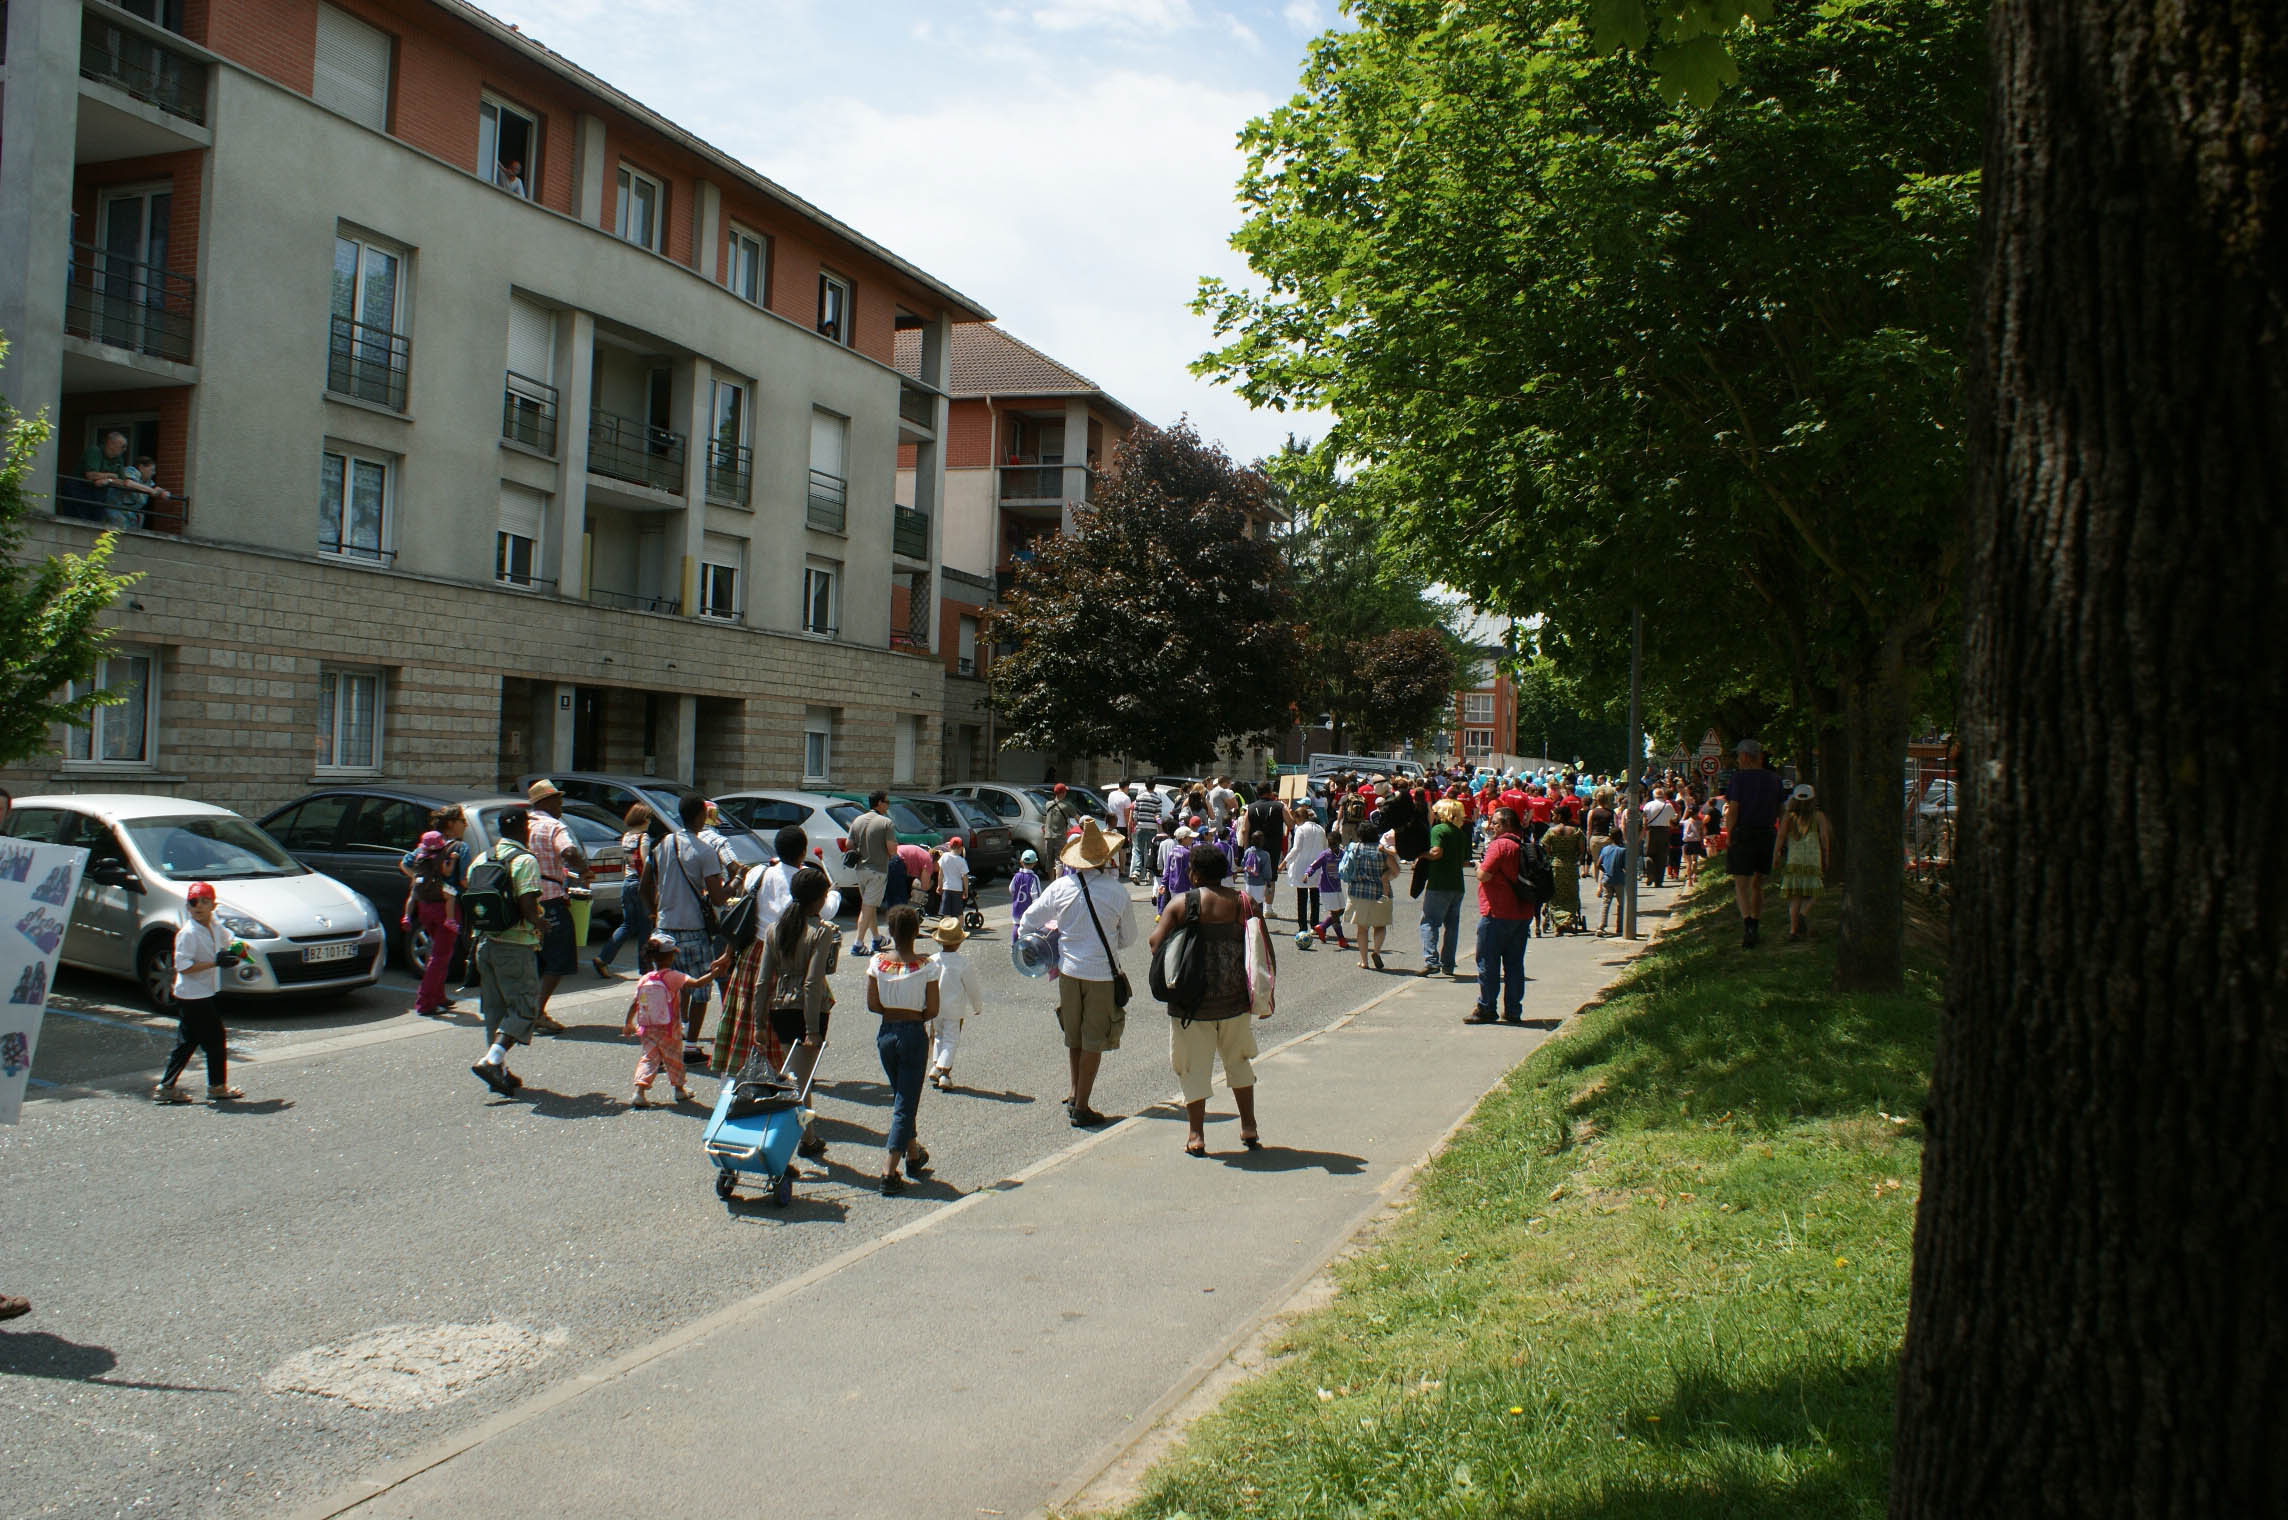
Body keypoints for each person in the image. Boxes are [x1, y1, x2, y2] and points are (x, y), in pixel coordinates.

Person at [1148, 844, 1267, 1157]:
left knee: (1193, 1068)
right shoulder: (1244, 902)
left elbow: (1155, 943)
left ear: (1194, 873)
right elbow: (1262, 948)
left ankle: (1196, 1134)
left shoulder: (1181, 904)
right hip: (1235, 1000)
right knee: (1239, 1062)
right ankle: (1249, 1126)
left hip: (1191, 1004)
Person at [718, 865, 839, 1160]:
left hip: (779, 1008)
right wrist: (812, 1029)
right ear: (819, 900)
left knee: (797, 1078)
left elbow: (762, 982)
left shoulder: (774, 930)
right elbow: (812, 982)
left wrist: (759, 1024)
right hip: (808, 1010)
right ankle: (783, 1145)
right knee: (798, 1083)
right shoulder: (821, 932)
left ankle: (809, 1136)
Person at [1020, 819, 1135, 1128]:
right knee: (1093, 1039)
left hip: (1069, 971)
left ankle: (1074, 1092)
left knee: (1074, 1035)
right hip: (1101, 973)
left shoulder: (1061, 887)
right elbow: (1128, 938)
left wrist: (1044, 942)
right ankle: (1082, 1106)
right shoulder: (1117, 892)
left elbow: (1028, 921)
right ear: (1106, 858)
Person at [647, 793, 730, 1061]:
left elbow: (645, 884)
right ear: (701, 816)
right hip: (693, 929)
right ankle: (691, 1046)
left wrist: (653, 911)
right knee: (700, 991)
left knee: (667, 990)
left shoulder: (663, 844)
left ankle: (663, 1044)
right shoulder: (705, 851)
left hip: (663, 928)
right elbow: (718, 898)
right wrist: (737, 881)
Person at [471, 809, 545, 1096]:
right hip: (515, 945)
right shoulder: (525, 860)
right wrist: (541, 922)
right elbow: (527, 903)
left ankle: (498, 1072)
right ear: (524, 828)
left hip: (485, 943)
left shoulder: (482, 858)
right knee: (525, 1006)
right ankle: (492, 1060)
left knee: (495, 1010)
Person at [866, 905, 940, 1193]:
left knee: (901, 1096)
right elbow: (932, 1009)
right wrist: (915, 1016)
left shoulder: (877, 963)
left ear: (891, 932)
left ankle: (913, 1153)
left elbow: (873, 1004)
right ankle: (889, 1169)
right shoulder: (927, 966)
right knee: (905, 1102)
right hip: (912, 1032)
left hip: (886, 1031)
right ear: (916, 932)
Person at [153, 881, 244, 1103]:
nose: (199, 906)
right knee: (215, 1039)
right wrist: (215, 963)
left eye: (204, 901)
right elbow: (183, 967)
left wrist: (239, 950)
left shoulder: (214, 926)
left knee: (188, 1041)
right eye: (194, 902)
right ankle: (216, 1086)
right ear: (188, 906)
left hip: (204, 992)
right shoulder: (188, 933)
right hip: (193, 995)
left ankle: (166, 1087)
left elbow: (229, 941)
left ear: (213, 905)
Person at [521, 779, 590, 1036]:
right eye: (558, 801)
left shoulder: (523, 825)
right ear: (546, 802)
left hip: (524, 900)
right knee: (558, 957)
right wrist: (584, 870)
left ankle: (525, 1009)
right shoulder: (554, 826)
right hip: (550, 901)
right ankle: (537, 1012)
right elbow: (568, 852)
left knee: (533, 957)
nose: (561, 806)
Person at [621, 932, 707, 1107]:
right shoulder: (673, 976)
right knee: (673, 1059)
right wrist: (714, 973)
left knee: (648, 1058)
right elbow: (697, 983)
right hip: (669, 1029)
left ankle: (639, 1092)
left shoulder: (645, 978)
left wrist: (628, 1023)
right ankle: (679, 1090)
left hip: (647, 1028)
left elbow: (635, 1003)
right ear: (671, 956)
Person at [1466, 807, 1534, 1025]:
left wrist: (1478, 866)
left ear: (1506, 824)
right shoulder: (1523, 845)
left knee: (1488, 963)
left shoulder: (1500, 845)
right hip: (1522, 913)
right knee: (1515, 965)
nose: (1490, 826)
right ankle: (1513, 1010)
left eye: (1495, 823)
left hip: (1497, 912)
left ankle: (1487, 1007)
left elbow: (1484, 875)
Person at [398, 815, 467, 1017]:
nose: (465, 825)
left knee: (438, 952)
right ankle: (425, 1002)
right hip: (445, 907)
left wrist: (421, 881)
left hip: (424, 905)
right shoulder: (458, 848)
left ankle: (438, 996)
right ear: (452, 823)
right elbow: (463, 880)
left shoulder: (421, 851)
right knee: (440, 956)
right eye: (462, 820)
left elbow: (404, 863)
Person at [1723, 740, 1788, 947]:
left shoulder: (1738, 778)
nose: (1737, 759)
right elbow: (1782, 811)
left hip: (1743, 834)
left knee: (1741, 884)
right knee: (1758, 883)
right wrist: (1782, 838)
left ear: (1744, 756)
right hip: (1767, 834)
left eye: (1738, 756)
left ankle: (1748, 924)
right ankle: (1756, 923)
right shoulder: (1774, 779)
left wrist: (1729, 835)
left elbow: (1733, 809)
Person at [592, 802, 654, 979]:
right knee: (645, 927)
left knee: (627, 924)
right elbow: (645, 864)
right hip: (640, 883)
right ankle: (645, 969)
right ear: (644, 819)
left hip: (627, 883)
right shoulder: (644, 838)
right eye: (649, 818)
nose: (650, 822)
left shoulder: (626, 836)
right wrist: (652, 887)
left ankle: (603, 958)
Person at [925, 916, 984, 1090]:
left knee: (938, 1036)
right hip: (955, 1009)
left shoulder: (932, 960)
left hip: (935, 1006)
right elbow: (972, 987)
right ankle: (944, 1072)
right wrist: (977, 1005)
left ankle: (936, 1066)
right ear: (959, 943)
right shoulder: (962, 963)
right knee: (951, 1039)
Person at [1773, 784, 1834, 941]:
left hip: (1794, 858)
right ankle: (1803, 913)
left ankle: (1793, 931)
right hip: (1812, 858)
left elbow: (1781, 836)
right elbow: (1824, 837)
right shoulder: (1818, 816)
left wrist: (1776, 854)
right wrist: (1826, 855)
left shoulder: (1789, 817)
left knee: (1795, 897)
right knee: (1816, 891)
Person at [1418, 798, 1469, 977]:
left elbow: (1436, 852)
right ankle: (1448, 963)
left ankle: (1431, 961)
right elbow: (1464, 861)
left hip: (1439, 883)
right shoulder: (1460, 833)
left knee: (1429, 922)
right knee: (1452, 926)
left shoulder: (1439, 829)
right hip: (1457, 884)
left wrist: (1421, 855)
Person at [1338, 824, 1398, 970]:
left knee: (1362, 928)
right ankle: (1376, 951)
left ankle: (1364, 961)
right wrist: (1385, 877)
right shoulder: (1382, 850)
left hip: (1358, 892)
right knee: (1380, 925)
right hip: (1381, 893)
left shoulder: (1355, 848)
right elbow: (1395, 871)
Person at [847, 790, 899, 956]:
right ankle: (858, 944)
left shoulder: (857, 820)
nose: (888, 805)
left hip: (860, 869)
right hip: (877, 870)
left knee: (870, 906)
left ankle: (877, 939)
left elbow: (849, 844)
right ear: (880, 803)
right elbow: (892, 849)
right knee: (868, 907)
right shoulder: (886, 822)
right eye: (887, 802)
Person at [1281, 803, 1329, 933]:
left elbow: (1296, 848)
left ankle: (1302, 927)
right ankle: (1315, 925)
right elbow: (1325, 848)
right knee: (1315, 896)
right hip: (1317, 865)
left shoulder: (1300, 829)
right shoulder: (1320, 829)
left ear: (1298, 817)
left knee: (1302, 897)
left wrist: (1284, 862)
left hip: (1301, 865)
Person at [1243, 787, 1288, 917]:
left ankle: (1252, 906)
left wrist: (1246, 848)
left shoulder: (1250, 808)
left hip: (1254, 846)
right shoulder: (1280, 806)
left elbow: (1245, 830)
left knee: (1252, 874)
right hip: (1273, 846)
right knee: (1271, 876)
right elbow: (1290, 824)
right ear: (1270, 792)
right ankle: (1268, 908)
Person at [1542, 810, 1588, 933]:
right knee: (1571, 895)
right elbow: (1582, 850)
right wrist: (1575, 858)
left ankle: (1558, 922)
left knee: (1556, 896)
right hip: (1571, 866)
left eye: (1554, 815)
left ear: (1559, 816)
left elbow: (1545, 848)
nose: (1552, 817)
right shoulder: (1576, 832)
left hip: (1556, 866)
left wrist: (1552, 857)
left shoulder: (1551, 831)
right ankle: (1568, 919)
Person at [1641, 786, 1679, 888]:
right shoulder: (1668, 806)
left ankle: (1650, 871)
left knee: (1648, 854)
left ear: (1654, 795)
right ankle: (1658, 882)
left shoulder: (1649, 805)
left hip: (1651, 831)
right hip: (1664, 832)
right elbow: (1674, 819)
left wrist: (1643, 831)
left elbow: (1644, 819)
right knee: (1661, 857)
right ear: (1663, 795)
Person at [1127, 783, 1164, 881]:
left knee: (1138, 850)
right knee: (1150, 851)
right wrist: (1160, 830)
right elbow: (1158, 817)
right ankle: (1148, 873)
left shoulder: (1139, 798)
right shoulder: (1157, 800)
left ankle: (1136, 872)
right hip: (1152, 828)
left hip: (1140, 827)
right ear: (1154, 786)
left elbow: (1135, 814)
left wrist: (1135, 825)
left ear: (1146, 786)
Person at [1596, 828, 1629, 935]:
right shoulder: (1622, 850)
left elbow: (1598, 864)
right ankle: (1620, 928)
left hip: (1607, 879)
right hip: (1619, 880)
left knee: (1605, 902)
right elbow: (1625, 866)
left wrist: (1606, 870)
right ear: (1621, 837)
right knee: (1621, 903)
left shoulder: (1605, 849)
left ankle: (1601, 926)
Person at [1039, 784, 1079, 863]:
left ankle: (1050, 872)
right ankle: (1059, 872)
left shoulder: (1048, 804)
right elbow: (1078, 818)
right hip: (1060, 837)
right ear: (1063, 793)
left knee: (1049, 860)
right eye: (1065, 791)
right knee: (1059, 860)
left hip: (1048, 836)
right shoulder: (1067, 805)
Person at [934, 835, 970, 921]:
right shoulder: (961, 861)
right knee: (958, 912)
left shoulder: (944, 856)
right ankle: (960, 928)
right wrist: (966, 890)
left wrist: (939, 885)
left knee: (946, 912)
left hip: (946, 888)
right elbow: (965, 877)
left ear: (949, 847)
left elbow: (941, 873)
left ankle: (947, 927)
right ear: (961, 848)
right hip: (957, 889)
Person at [1008, 849, 1042, 924]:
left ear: (1021, 862)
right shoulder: (1033, 878)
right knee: (1027, 928)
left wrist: (1016, 896)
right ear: (1035, 863)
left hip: (1017, 908)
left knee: (1017, 926)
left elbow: (1011, 889)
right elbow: (1036, 896)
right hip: (1028, 911)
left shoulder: (1017, 876)